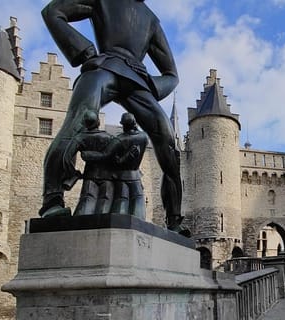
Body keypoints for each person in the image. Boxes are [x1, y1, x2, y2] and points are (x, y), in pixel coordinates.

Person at [40, 0, 184, 232]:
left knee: (167, 141)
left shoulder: (151, 20)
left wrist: (150, 85)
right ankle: (52, 200)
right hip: (104, 66)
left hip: (137, 80)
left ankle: (175, 219)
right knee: (79, 120)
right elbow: (53, 12)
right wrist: (84, 51)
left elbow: (171, 74)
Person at [81, 113, 148, 219]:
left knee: (122, 201)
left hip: (122, 177)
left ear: (123, 125)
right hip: (135, 176)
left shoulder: (119, 140)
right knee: (138, 200)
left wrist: (87, 155)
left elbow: (105, 155)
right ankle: (139, 227)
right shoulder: (144, 137)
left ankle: (119, 225)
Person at [72, 111, 118, 216]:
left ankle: (81, 228)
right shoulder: (110, 137)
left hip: (90, 175)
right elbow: (116, 158)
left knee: (87, 201)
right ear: (98, 122)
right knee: (105, 203)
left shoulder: (80, 137)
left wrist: (73, 172)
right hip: (107, 177)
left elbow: (66, 157)